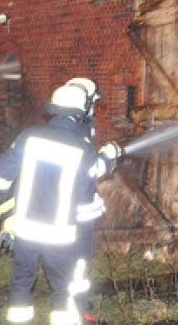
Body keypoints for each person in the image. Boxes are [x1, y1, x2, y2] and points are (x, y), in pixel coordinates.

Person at [0, 83, 121, 325]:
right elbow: (88, 183)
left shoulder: (29, 136)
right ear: (80, 113)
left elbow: (4, 169)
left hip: (26, 228)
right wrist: (108, 157)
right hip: (59, 234)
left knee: (21, 281)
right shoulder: (81, 147)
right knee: (63, 289)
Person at [63, 77, 119, 323]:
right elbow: (87, 168)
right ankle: (76, 313)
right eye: (92, 103)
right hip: (72, 213)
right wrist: (106, 158)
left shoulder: (77, 126)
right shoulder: (74, 130)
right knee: (76, 265)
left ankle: (80, 305)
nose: (95, 108)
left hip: (77, 211)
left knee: (79, 266)